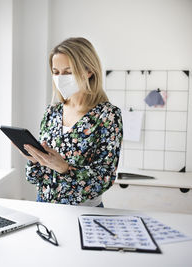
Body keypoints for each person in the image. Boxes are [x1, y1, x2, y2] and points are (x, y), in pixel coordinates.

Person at [23, 37, 123, 207]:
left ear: (89, 71)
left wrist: (65, 169)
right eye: (56, 72)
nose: (60, 78)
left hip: (83, 212)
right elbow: (35, 178)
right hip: (44, 207)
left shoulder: (107, 116)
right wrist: (33, 159)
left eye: (68, 72)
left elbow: (105, 178)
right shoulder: (51, 112)